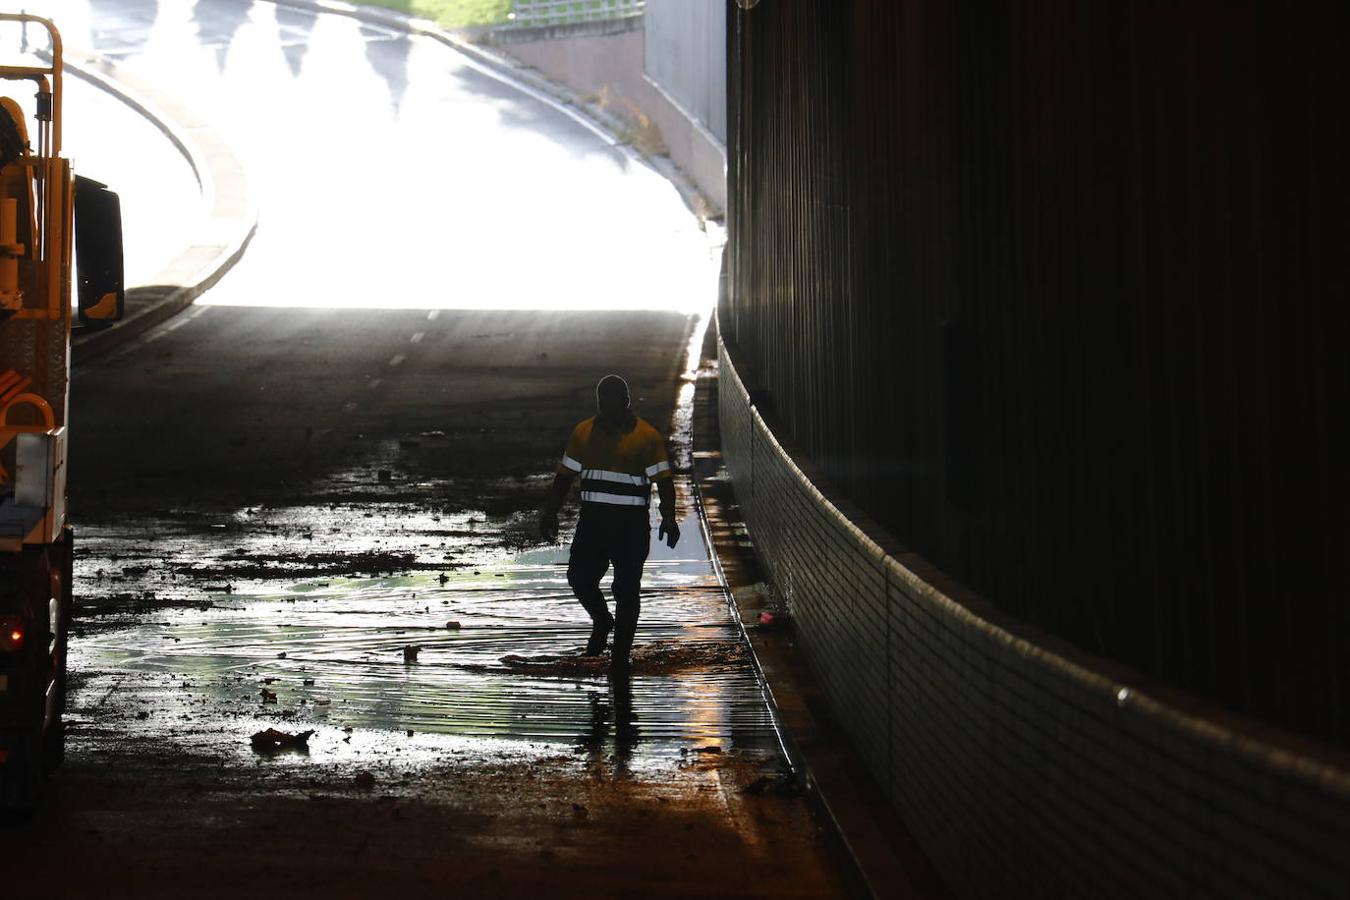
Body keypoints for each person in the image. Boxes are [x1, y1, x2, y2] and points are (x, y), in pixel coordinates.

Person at [540, 375, 679, 672]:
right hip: (593, 522)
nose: (611, 408)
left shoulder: (646, 437)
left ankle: (620, 656)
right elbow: (565, 477)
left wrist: (669, 517)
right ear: (599, 403)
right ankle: (603, 620)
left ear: (626, 402)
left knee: (627, 589)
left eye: (616, 401)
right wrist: (550, 513)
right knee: (579, 578)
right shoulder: (584, 433)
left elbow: (664, 482)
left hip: (631, 527)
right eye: (605, 402)